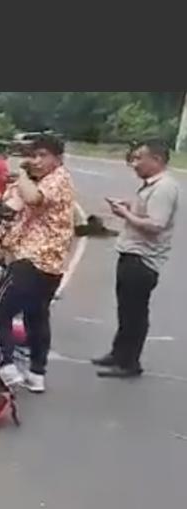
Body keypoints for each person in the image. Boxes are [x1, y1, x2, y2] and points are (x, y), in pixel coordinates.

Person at [0, 134, 76, 393]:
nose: (35, 161)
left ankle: (6, 365)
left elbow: (34, 198)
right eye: (32, 156)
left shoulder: (59, 178)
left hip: (34, 260)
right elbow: (15, 210)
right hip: (46, 263)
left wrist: (22, 175)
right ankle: (37, 374)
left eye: (42, 156)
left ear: (57, 159)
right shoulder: (44, 180)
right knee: (35, 317)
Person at [93, 139, 181, 379]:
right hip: (132, 254)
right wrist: (128, 206)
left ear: (157, 160)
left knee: (134, 313)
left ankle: (129, 362)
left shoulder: (164, 187)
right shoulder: (150, 185)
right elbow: (147, 210)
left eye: (140, 158)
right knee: (125, 310)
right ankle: (118, 353)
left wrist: (125, 214)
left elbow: (155, 225)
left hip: (142, 259)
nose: (135, 163)